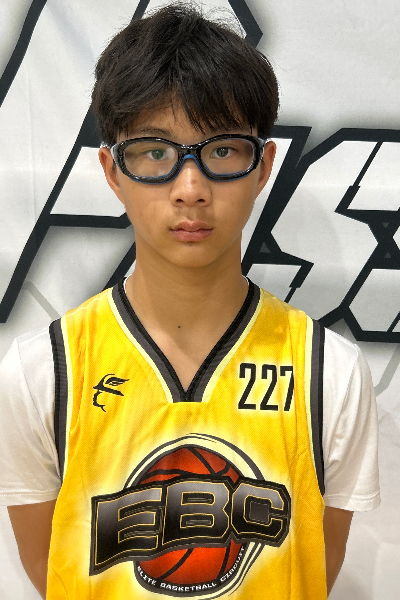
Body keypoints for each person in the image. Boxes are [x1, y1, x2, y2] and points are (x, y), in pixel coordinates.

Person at [0, 4, 380, 599]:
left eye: (222, 150)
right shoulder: (40, 372)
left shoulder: (330, 372)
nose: (191, 189)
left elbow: (314, 568)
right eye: (155, 152)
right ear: (112, 171)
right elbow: (52, 571)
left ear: (263, 167)